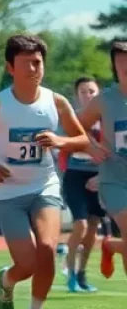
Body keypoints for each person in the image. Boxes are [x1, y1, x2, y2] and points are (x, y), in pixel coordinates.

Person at [0, 34, 88, 309]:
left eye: (38, 62)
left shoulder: (56, 102)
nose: (34, 68)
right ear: (11, 67)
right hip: (7, 192)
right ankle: (7, 281)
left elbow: (83, 140)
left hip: (43, 185)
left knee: (47, 251)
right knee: (28, 264)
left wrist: (60, 141)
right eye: (27, 63)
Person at [78, 40, 127, 281]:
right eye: (121, 62)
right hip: (115, 180)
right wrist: (92, 147)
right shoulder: (104, 100)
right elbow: (75, 126)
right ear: (115, 68)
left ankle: (111, 246)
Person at [61, 76, 104, 291]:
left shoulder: (109, 120)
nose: (88, 95)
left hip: (99, 177)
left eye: (91, 91)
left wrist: (103, 176)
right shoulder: (72, 119)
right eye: (83, 92)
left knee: (93, 229)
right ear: (77, 96)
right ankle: (69, 272)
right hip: (75, 175)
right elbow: (63, 148)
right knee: (81, 225)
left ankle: (82, 274)